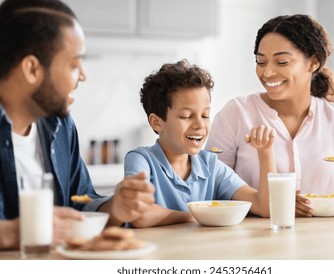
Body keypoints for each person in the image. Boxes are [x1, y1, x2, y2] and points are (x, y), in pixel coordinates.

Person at [0, 0, 155, 249]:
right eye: (73, 64)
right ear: (31, 69)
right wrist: (13, 232)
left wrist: (115, 208)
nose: (82, 75)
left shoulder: (60, 126)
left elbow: (80, 202)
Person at [205, 14, 334, 217]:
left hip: (323, 241)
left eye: (282, 62)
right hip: (255, 240)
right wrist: (269, 202)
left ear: (313, 63)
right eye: (261, 61)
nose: (267, 73)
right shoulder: (237, 113)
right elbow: (213, 187)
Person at [124, 59, 276, 228]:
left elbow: (267, 207)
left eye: (205, 115)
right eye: (186, 116)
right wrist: (195, 215)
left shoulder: (210, 164)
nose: (199, 125)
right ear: (157, 122)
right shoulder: (141, 160)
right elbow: (137, 212)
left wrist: (266, 152)